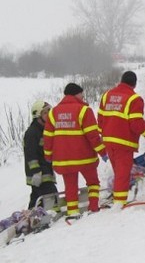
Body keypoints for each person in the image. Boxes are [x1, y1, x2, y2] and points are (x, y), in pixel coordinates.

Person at [98, 71, 145, 207]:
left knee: (118, 171)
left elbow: (100, 119)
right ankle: (119, 203)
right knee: (123, 174)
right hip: (123, 142)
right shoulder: (134, 99)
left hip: (108, 141)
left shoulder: (106, 95)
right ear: (134, 84)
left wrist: (104, 135)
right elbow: (136, 124)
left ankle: (117, 196)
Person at [43, 83, 107, 216]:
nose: (83, 96)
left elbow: (48, 137)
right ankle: (93, 207)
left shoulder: (54, 112)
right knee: (93, 182)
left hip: (64, 159)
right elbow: (93, 136)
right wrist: (102, 152)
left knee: (70, 187)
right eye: (81, 94)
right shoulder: (84, 110)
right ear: (76, 94)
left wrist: (48, 156)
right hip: (84, 157)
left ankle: (73, 212)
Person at [24, 100, 57, 209]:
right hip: (38, 174)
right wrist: (36, 172)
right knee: (51, 194)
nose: (49, 114)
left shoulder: (46, 130)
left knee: (37, 198)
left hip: (46, 171)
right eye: (46, 112)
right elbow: (31, 155)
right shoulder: (32, 133)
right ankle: (52, 215)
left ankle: (30, 217)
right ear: (38, 115)